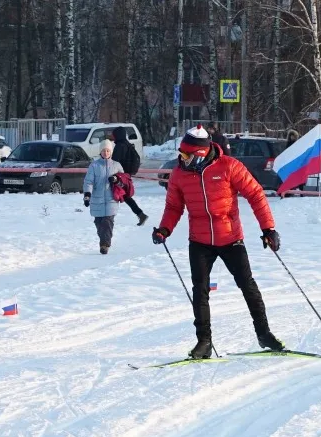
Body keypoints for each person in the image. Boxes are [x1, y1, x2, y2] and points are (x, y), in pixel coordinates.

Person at [151, 125, 285, 359]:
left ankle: (264, 334)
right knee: (200, 291)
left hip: (230, 238)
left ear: (200, 154)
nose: (181, 159)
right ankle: (204, 342)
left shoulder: (229, 166)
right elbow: (174, 206)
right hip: (200, 241)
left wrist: (268, 228)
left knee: (247, 285)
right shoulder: (179, 175)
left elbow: (255, 195)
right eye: (180, 154)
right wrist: (164, 229)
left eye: (186, 155)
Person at [84, 139, 124, 254]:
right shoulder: (94, 166)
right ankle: (104, 239)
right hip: (97, 200)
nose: (106, 153)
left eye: (108, 150)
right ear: (100, 152)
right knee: (99, 223)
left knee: (108, 222)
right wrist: (87, 195)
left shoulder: (116, 165)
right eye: (103, 150)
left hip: (111, 199)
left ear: (111, 152)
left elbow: (124, 182)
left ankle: (104, 245)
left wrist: (116, 180)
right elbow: (88, 182)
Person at [111, 126, 149, 226]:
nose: (113, 137)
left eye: (113, 135)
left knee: (115, 194)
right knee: (125, 196)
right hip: (126, 175)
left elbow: (115, 162)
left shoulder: (120, 146)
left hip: (120, 175)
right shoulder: (127, 144)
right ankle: (140, 214)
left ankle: (107, 219)